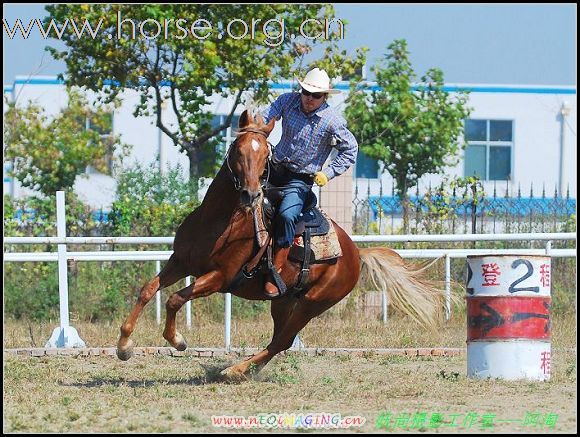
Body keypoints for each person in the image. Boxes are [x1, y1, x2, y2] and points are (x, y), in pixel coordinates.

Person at [260, 67, 358, 297]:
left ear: (324, 97)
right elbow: (265, 117)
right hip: (274, 168)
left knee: (286, 215)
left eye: (315, 95)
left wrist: (329, 173)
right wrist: (257, 131)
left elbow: (351, 149)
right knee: (244, 197)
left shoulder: (332, 121)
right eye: (305, 92)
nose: (308, 98)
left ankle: (278, 269)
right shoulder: (286, 101)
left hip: (300, 180)